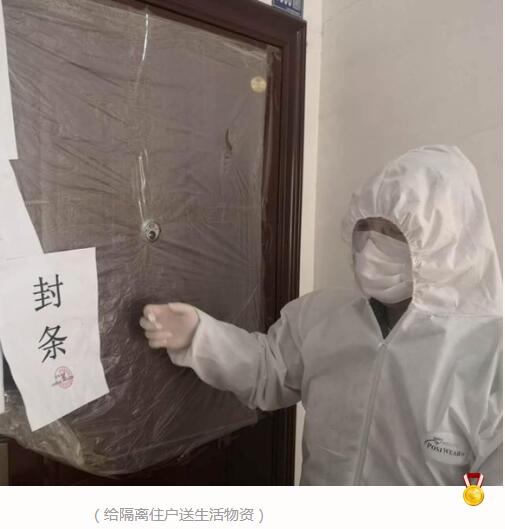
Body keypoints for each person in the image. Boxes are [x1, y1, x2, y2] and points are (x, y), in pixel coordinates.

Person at [139, 145, 503, 485]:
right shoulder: (323, 316)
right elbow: (269, 371)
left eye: (392, 231)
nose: (371, 246)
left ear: (446, 243)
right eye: (366, 227)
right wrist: (200, 335)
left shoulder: (491, 355)